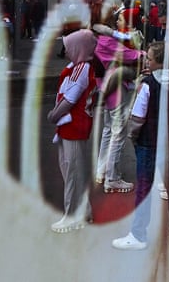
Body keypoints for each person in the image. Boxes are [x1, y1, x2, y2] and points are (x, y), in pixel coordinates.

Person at [113, 40, 169, 250]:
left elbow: (138, 117)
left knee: (144, 188)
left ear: (159, 62)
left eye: (151, 59)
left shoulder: (147, 84)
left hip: (148, 141)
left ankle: (138, 234)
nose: (148, 61)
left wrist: (132, 136)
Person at [46, 28, 98, 233]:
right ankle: (84, 211)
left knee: (72, 172)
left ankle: (72, 216)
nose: (66, 50)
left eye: (69, 46)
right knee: (72, 170)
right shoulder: (81, 67)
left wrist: (54, 115)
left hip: (73, 126)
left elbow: (70, 98)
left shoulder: (81, 69)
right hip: (72, 126)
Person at [93, 5, 142, 193]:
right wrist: (146, 55)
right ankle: (112, 178)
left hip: (106, 90)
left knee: (108, 131)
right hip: (116, 93)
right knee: (118, 134)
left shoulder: (100, 36)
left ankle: (102, 172)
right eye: (117, 18)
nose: (118, 21)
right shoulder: (108, 41)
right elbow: (130, 56)